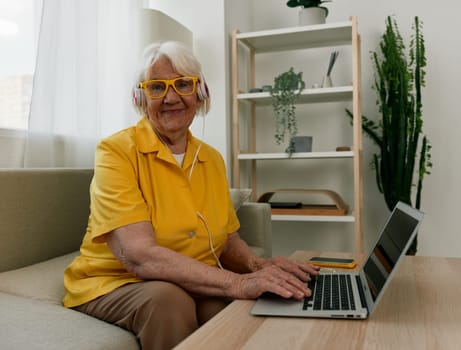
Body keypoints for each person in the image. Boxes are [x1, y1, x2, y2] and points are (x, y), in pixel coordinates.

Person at [63, 41, 319, 350]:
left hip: (184, 278)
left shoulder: (210, 158)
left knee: (242, 309)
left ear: (200, 93)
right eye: (157, 87)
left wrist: (257, 266)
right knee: (169, 300)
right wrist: (236, 282)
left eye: (182, 84)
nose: (171, 97)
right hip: (114, 281)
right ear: (141, 98)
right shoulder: (116, 151)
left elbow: (226, 239)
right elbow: (139, 257)